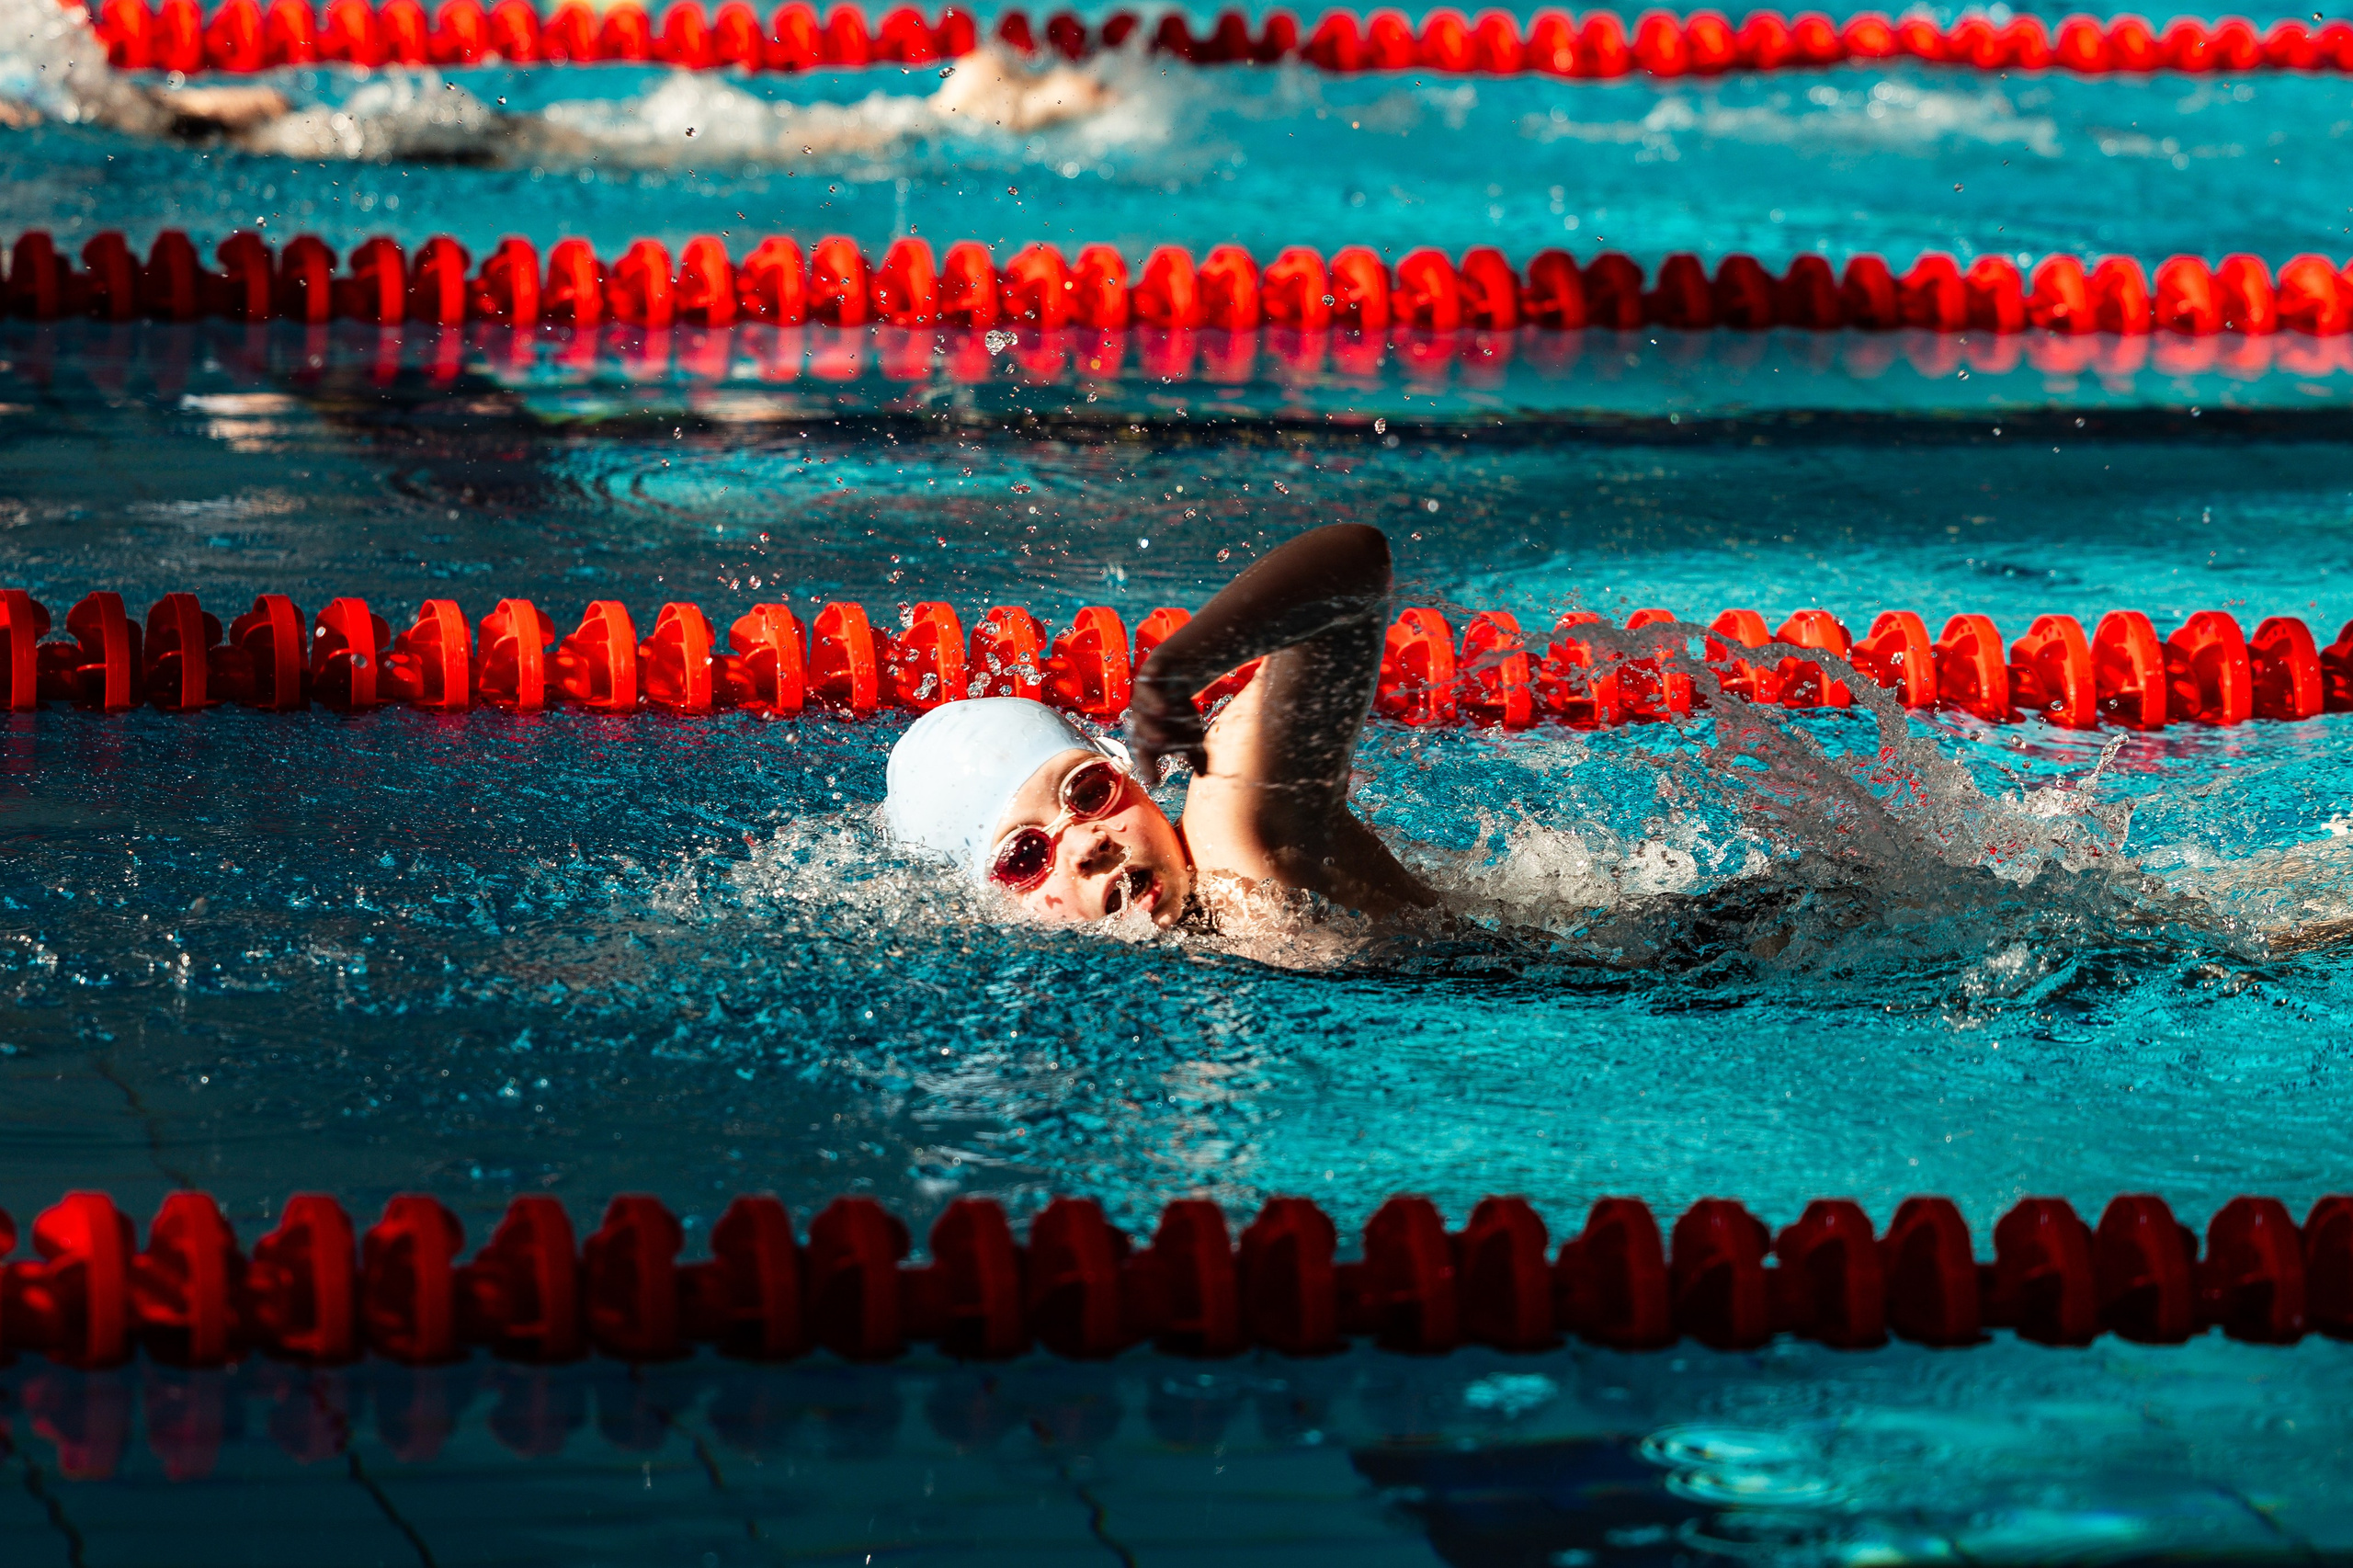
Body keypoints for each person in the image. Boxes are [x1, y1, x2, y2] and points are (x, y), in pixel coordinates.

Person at [884, 523, 1438, 929]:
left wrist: (1180, 666)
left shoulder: (1236, 834)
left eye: (1090, 792)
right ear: (996, 904)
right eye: (1025, 856)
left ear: (1130, 775)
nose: (1088, 844)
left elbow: (1351, 562)